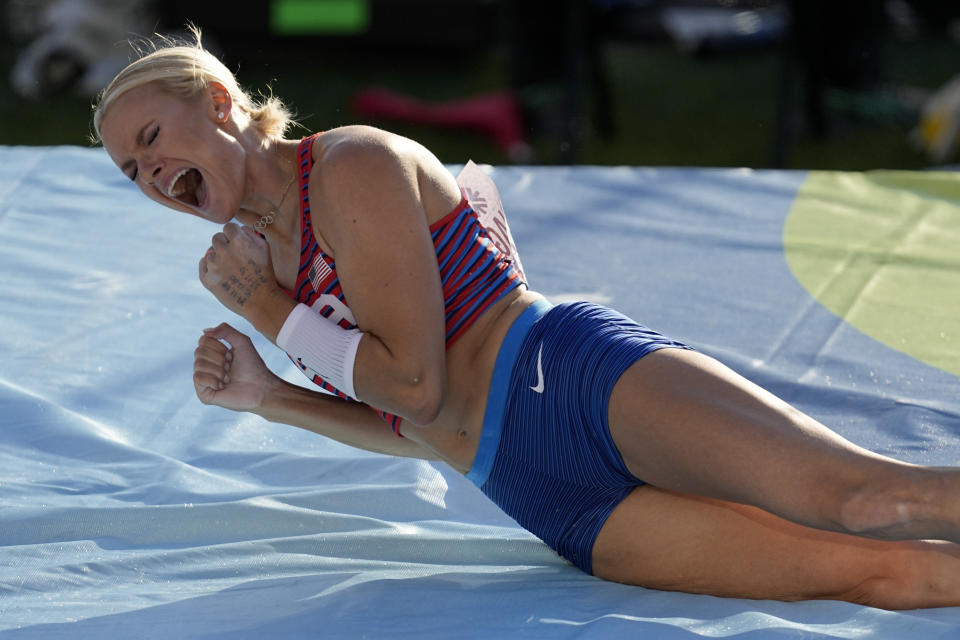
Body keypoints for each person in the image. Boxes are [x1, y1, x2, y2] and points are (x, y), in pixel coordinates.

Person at [91, 28, 960, 610]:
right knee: (877, 573)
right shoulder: (264, 265)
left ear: (216, 103)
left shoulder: (349, 166)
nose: (149, 171)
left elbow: (420, 386)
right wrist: (267, 396)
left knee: (867, 501)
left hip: (576, 385)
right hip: (539, 494)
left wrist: (271, 314)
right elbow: (417, 428)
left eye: (154, 137)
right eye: (131, 169)